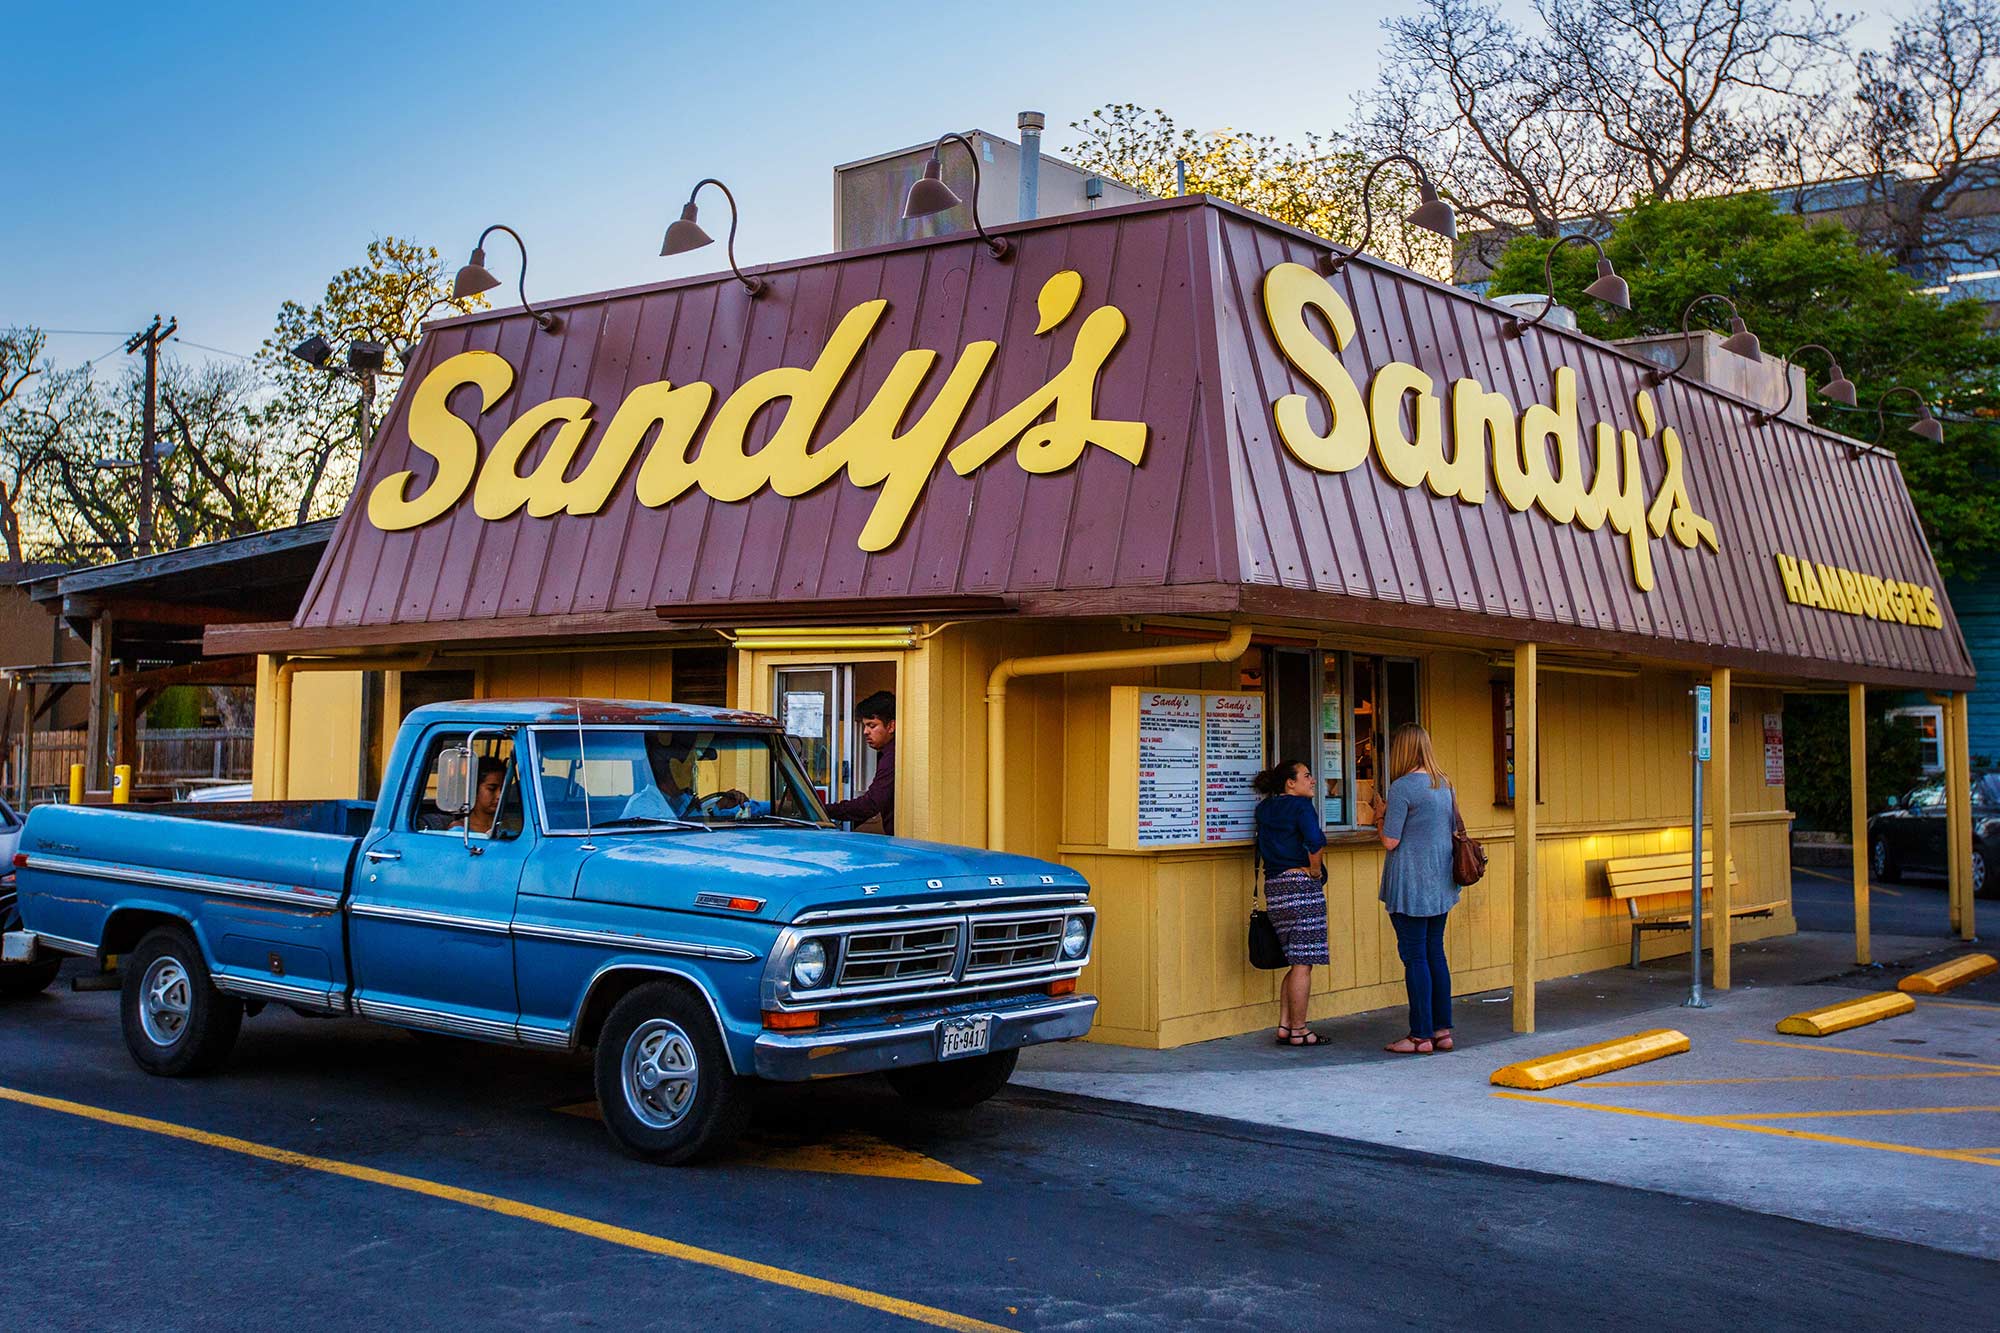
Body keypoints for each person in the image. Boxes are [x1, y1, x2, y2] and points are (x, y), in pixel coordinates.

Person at [1368, 723, 1460, 1055]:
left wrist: (1380, 816)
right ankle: (1442, 1029)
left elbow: (1391, 841)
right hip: (1440, 880)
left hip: (1409, 882)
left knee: (1415, 957)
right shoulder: (1444, 784)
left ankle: (1420, 1036)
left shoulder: (1403, 787)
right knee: (1435, 952)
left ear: (1402, 750)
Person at [1252, 758, 1328, 1048]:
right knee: (1303, 963)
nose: (1312, 780)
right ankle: (1300, 1029)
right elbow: (1315, 841)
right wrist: (1315, 871)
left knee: (1294, 960)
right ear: (1290, 783)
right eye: (1307, 776)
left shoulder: (1265, 809)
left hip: (1275, 887)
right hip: (1300, 887)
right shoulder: (1300, 807)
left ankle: (1285, 1026)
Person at [620, 732, 766, 823]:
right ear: (673, 770)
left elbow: (700, 820)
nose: (693, 774)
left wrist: (721, 805)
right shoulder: (643, 805)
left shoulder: (683, 800)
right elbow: (676, 831)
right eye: (690, 768)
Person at [824, 691, 896, 834]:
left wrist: (823, 810)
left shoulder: (892, 757)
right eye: (865, 726)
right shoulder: (887, 754)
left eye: (872, 725)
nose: (865, 732)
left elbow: (871, 804)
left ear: (891, 726)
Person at [450, 757, 509, 836]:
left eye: (503, 789)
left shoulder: (513, 829)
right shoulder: (459, 832)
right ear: (474, 788)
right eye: (492, 789)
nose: (499, 795)